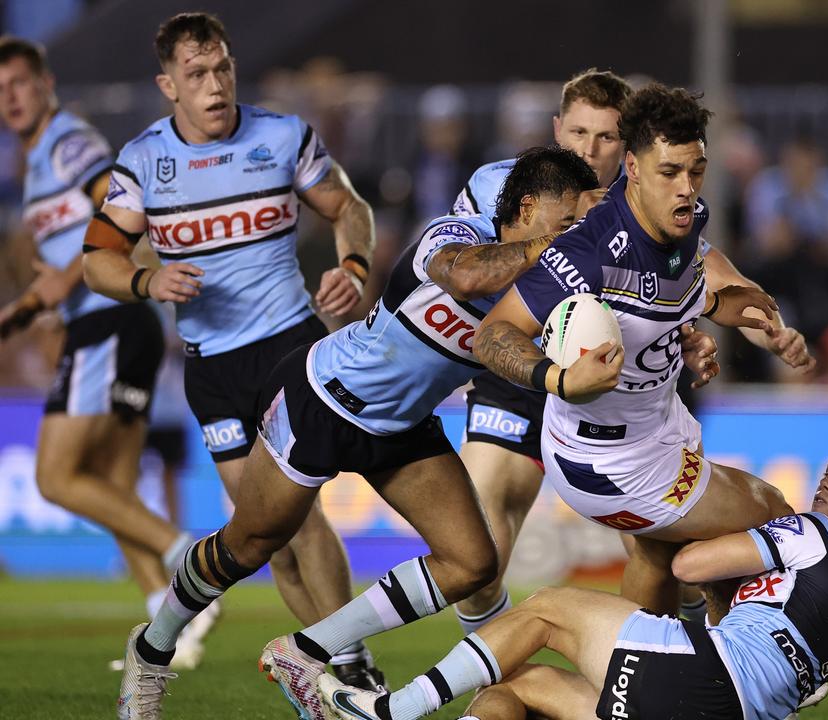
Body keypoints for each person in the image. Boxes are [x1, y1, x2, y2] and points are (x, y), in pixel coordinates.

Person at [112, 146, 618, 720]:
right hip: (324, 399)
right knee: (250, 544)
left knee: (472, 562)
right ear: (526, 209)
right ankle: (150, 651)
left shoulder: (548, 288)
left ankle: (304, 652)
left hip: (403, 427)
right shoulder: (454, 234)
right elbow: (468, 275)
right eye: (567, 221)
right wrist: (548, 247)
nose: (574, 235)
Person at [81, 12, 382, 690]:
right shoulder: (143, 161)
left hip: (287, 349)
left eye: (223, 70)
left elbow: (348, 207)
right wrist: (146, 279)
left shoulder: (282, 136)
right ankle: (325, 666)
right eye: (196, 75)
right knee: (261, 535)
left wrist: (355, 269)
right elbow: (95, 260)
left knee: (299, 518)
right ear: (168, 85)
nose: (215, 86)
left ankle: (356, 668)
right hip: (210, 370)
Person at [452, 70, 813, 634]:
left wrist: (709, 321)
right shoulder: (583, 246)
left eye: (697, 171)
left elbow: (695, 286)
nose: (687, 187)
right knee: (771, 517)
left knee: (656, 559)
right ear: (636, 168)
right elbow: (491, 333)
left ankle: (645, 671)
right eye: (671, 172)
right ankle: (741, 663)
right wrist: (561, 379)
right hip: (607, 454)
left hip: (656, 421)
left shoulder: (683, 216)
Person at [316, 434, 828, 720]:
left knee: (545, 610)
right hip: (725, 707)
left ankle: (392, 711)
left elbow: (690, 566)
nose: (824, 483)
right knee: (511, 686)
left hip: (700, 681)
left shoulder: (813, 534)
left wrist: (680, 518)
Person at [0, 35, 209, 662]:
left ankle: (186, 561)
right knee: (116, 485)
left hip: (109, 319)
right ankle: (171, 627)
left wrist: (47, 295)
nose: (9, 99)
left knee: (58, 477)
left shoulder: (67, 142)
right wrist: (44, 294)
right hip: (117, 322)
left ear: (46, 83)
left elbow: (119, 217)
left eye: (18, 84)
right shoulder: (37, 162)